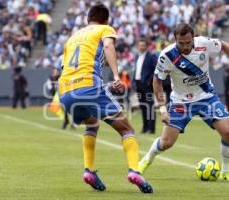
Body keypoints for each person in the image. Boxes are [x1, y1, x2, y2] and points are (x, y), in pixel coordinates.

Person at [138, 23, 229, 182]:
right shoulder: (167, 55)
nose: (186, 46)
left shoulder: (203, 43)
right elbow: (157, 82)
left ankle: (226, 171)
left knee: (228, 132)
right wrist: (162, 109)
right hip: (180, 101)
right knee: (167, 142)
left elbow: (224, 46)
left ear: (193, 38)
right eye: (182, 43)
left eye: (188, 42)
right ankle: (146, 160)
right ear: (175, 40)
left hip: (206, 97)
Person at [58, 3, 152, 193]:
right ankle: (134, 171)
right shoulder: (104, 29)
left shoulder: (72, 38)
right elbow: (108, 45)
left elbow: (63, 66)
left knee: (92, 124)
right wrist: (117, 76)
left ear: (87, 19)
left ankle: (89, 171)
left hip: (65, 90)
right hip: (88, 85)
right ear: (107, 20)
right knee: (126, 128)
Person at [134, 38, 157, 134]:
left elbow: (156, 69)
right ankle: (145, 127)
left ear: (146, 46)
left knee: (150, 106)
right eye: (140, 45)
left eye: (143, 45)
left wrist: (149, 81)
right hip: (138, 84)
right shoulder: (137, 57)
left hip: (147, 85)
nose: (141, 47)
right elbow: (137, 71)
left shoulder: (151, 57)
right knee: (143, 106)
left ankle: (151, 128)